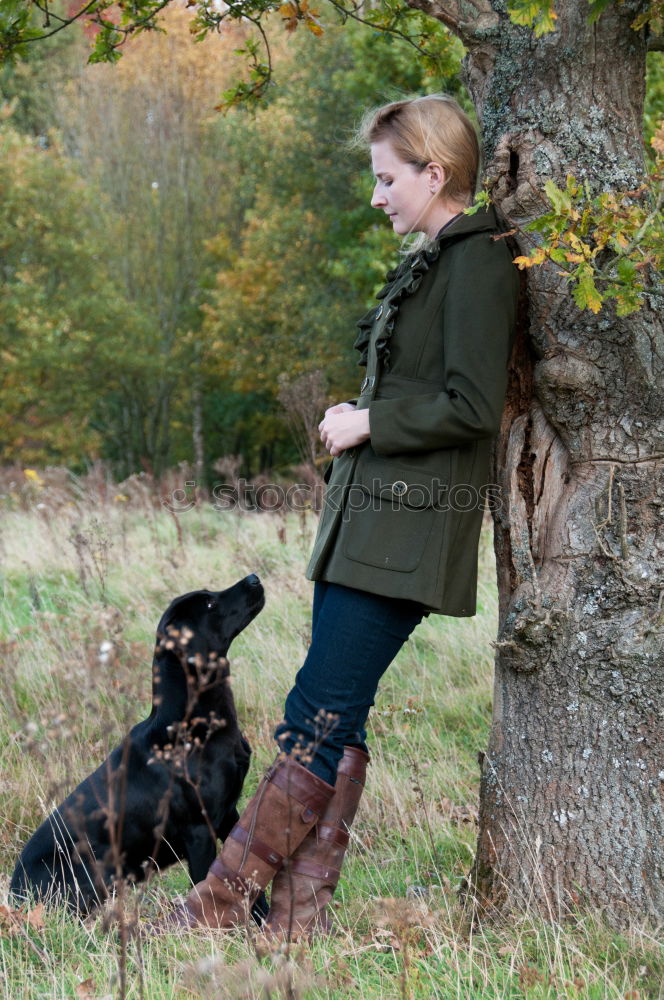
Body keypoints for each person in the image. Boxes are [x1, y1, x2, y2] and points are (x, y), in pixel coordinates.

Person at [167, 94, 519, 937]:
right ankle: (295, 923)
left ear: (435, 174)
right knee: (336, 718)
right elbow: (420, 386)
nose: (376, 196)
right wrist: (355, 415)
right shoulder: (436, 256)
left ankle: (214, 912)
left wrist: (370, 423)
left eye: (386, 178)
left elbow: (474, 404)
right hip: (367, 527)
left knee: (314, 717)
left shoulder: (478, 261)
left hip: (409, 533)